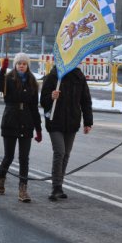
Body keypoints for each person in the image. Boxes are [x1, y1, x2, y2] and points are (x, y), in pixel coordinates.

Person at [0, 53, 42, 202]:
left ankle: (23, 189)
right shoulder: (8, 78)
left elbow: (34, 107)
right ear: (15, 65)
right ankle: (1, 178)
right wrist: (2, 69)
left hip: (26, 122)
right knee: (9, 156)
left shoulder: (33, 81)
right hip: (10, 120)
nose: (21, 65)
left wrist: (38, 129)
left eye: (24, 63)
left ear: (28, 65)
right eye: (19, 63)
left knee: (24, 158)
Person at [40, 65, 93, 201]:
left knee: (66, 154)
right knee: (60, 152)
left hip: (72, 121)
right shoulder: (53, 76)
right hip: (54, 121)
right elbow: (43, 101)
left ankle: (59, 184)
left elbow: (85, 100)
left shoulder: (79, 76)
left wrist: (88, 122)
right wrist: (51, 96)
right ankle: (56, 187)